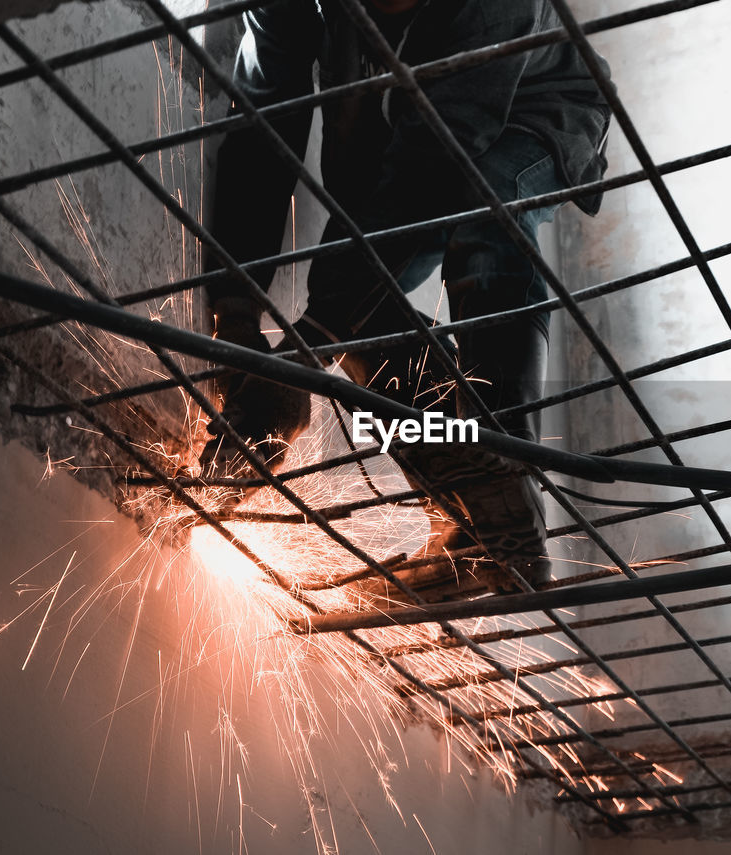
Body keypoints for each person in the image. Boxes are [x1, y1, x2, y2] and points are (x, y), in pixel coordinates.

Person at [200, 0, 611, 600]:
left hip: (540, 104)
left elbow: (439, 160)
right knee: (363, 306)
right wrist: (234, 316)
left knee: (486, 208)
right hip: (406, 126)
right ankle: (471, 524)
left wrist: (303, 355)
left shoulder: (495, 11)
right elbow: (266, 111)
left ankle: (503, 453)